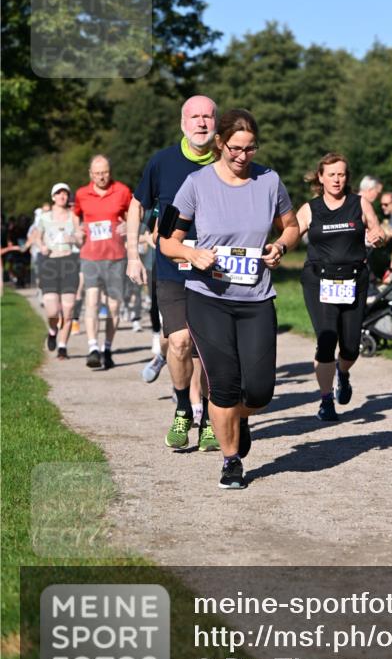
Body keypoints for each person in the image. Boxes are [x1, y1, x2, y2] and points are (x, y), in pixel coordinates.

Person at [160, 108, 300, 490]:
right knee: (223, 384)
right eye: (235, 148)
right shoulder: (196, 184)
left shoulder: (269, 180)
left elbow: (291, 226)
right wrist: (191, 254)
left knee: (259, 389)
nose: (243, 156)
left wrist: (280, 247)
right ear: (220, 144)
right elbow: (166, 240)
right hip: (209, 298)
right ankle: (231, 460)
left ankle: (238, 418)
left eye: (251, 148)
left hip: (256, 298)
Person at [126, 96, 219, 451]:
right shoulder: (162, 161)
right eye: (194, 117)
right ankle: (183, 409)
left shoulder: (228, 162)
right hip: (172, 269)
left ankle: (209, 417)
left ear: (216, 121)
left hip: (216, 271)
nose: (201, 123)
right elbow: (138, 205)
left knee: (209, 350)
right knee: (179, 342)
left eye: (207, 117)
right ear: (183, 123)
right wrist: (133, 255)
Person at [296, 153, 385, 422]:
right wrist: (276, 248)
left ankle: (342, 373)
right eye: (331, 174)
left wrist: (378, 237)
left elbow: (377, 231)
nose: (337, 179)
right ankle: (325, 401)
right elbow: (291, 232)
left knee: (350, 347)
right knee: (326, 340)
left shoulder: (360, 203)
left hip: (353, 280)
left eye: (342, 174)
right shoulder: (310, 208)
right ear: (320, 177)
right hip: (318, 279)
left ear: (347, 177)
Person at [73, 156, 132, 369]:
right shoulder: (81, 194)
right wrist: (77, 230)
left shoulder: (122, 191)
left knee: (114, 306)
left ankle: (107, 348)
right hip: (90, 256)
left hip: (116, 257)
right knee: (92, 302)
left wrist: (129, 226)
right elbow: (76, 215)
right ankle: (92, 348)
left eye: (105, 172)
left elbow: (135, 213)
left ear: (110, 171)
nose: (101, 177)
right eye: (97, 173)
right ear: (90, 174)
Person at [33, 184, 82, 358]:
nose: (62, 196)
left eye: (65, 194)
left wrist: (74, 238)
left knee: (68, 311)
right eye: (59, 193)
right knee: (52, 311)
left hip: (69, 262)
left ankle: (62, 346)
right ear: (53, 197)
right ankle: (52, 330)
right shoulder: (45, 218)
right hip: (50, 264)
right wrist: (42, 246)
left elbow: (81, 239)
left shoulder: (74, 217)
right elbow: (36, 237)